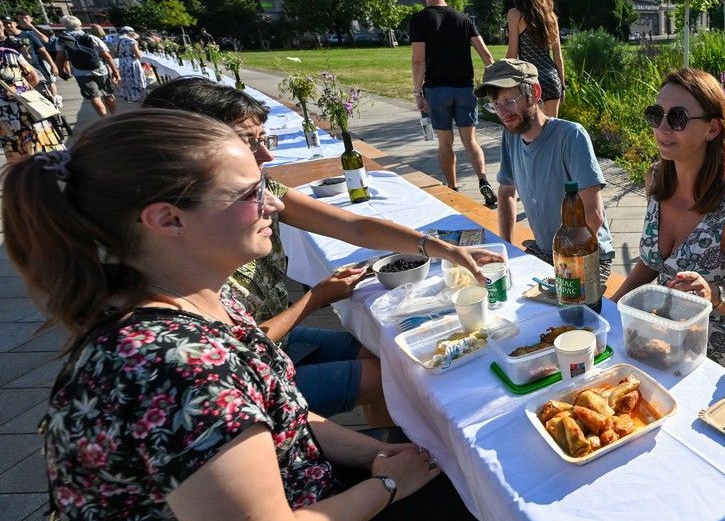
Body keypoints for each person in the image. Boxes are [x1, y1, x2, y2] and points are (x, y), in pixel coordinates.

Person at [2, 111, 504, 521]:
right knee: (460, 493)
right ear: (167, 220)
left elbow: (289, 416)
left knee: (441, 458)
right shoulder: (170, 363)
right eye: (248, 194)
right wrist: (389, 485)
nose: (272, 203)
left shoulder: (196, 300)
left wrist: (376, 459)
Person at [143, 78, 498, 422]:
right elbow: (233, 356)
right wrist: (315, 298)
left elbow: (354, 226)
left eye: (264, 139)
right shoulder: (189, 254)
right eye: (249, 142)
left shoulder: (258, 193)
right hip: (255, 362)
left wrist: (439, 248)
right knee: (390, 375)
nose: (266, 154)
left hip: (277, 342)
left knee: (392, 353)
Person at [612, 68, 725, 363]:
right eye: (656, 115)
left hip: (720, 352)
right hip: (664, 333)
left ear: (712, 129)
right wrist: (609, 311)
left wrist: (715, 294)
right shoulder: (656, 178)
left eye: (677, 118)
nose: (663, 127)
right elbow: (650, 265)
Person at [476, 58, 616, 281]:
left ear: (535, 92)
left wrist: (563, 266)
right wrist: (506, 247)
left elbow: (594, 216)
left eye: (509, 101)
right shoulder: (510, 136)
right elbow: (506, 191)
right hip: (545, 251)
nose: (502, 113)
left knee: (564, 313)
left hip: (585, 255)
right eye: (495, 105)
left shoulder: (571, 136)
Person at [409, 0, 497, 208]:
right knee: (471, 140)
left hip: (437, 91)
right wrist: (489, 85)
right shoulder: (464, 19)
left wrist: (417, 93)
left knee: (445, 142)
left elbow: (418, 61)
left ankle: (453, 189)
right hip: (465, 89)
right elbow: (487, 56)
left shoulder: (419, 20)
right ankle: (483, 181)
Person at [506, 0, 566, 117]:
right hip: (552, 79)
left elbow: (512, 54)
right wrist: (563, 86)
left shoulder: (515, 15)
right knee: (551, 131)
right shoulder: (550, 15)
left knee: (531, 132)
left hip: (530, 80)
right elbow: (558, 56)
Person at [0, 43, 65, 160]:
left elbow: (34, 78)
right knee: (16, 150)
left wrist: (19, 91)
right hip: (4, 118)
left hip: (26, 109)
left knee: (41, 144)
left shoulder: (10, 54)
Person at [52, 14, 119, 116]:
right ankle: (115, 116)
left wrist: (61, 71)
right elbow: (107, 56)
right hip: (100, 69)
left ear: (65, 26)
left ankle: (105, 119)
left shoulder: (62, 41)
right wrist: (115, 71)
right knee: (108, 93)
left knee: (93, 97)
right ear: (80, 25)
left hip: (81, 72)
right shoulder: (91, 37)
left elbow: (60, 58)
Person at [114, 26, 148, 103]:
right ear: (130, 33)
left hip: (122, 62)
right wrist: (141, 53)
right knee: (136, 79)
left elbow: (115, 53)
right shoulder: (131, 41)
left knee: (127, 80)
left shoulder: (118, 41)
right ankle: (139, 96)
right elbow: (138, 55)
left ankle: (131, 97)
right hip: (131, 62)